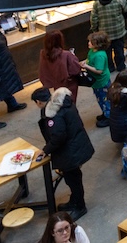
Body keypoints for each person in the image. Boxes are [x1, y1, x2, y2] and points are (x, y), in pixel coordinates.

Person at [32, 87, 95, 219]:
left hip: (70, 152)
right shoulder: (64, 103)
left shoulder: (53, 115)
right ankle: (74, 201)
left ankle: (80, 206)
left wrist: (46, 150)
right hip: (75, 146)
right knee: (73, 178)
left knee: (74, 180)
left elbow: (58, 137)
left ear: (38, 102)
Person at [38, 30, 82, 103]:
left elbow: (43, 71)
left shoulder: (43, 54)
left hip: (56, 84)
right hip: (69, 83)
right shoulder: (66, 54)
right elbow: (76, 69)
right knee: (71, 103)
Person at [80, 31, 111, 127]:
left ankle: (108, 116)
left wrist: (86, 66)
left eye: (91, 42)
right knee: (100, 99)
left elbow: (99, 70)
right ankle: (105, 113)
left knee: (104, 99)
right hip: (96, 82)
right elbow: (89, 59)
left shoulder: (100, 55)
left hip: (101, 82)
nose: (88, 43)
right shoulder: (92, 51)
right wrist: (85, 62)